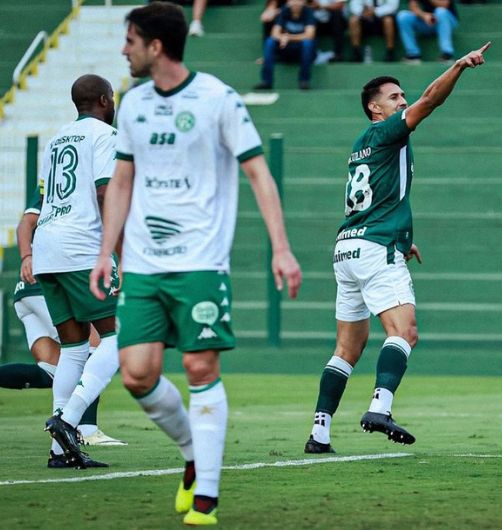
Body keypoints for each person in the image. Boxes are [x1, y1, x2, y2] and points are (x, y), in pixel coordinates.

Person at [90, 2, 302, 525]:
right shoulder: (134, 105)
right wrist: (105, 250)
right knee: (137, 376)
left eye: (131, 40)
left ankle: (206, 494)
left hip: (201, 262)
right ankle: (193, 455)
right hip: (142, 264)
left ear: (155, 46)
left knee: (199, 366)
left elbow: (259, 175)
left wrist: (281, 246)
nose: (125, 49)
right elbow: (121, 182)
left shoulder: (218, 100)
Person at [304, 41, 491, 454]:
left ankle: (319, 434)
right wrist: (458, 66)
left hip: (349, 248)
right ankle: (380, 407)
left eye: (401, 95)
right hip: (374, 247)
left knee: (346, 350)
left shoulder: (361, 144)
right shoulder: (386, 131)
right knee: (405, 331)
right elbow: (430, 101)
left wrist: (401, 239)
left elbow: (377, 199)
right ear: (376, 108)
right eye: (394, 97)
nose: (402, 100)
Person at [33, 74, 122, 470]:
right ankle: (69, 421)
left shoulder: (56, 139)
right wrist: (117, 248)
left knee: (74, 346)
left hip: (46, 246)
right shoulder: (104, 135)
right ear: (104, 100)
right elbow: (105, 191)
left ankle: (59, 450)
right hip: (80, 247)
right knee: (122, 334)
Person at [11, 199, 125, 466]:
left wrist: (27, 256)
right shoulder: (99, 164)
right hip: (73, 258)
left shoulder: (51, 180)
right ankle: (78, 426)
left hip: (40, 272)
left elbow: (27, 222)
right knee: (114, 339)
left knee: (59, 363)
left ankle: (60, 451)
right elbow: (106, 193)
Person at [255, 0, 317, 90]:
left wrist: (288, 37)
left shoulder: (308, 12)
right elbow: (274, 33)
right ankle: (266, 81)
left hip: (302, 51)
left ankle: (304, 80)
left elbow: (309, 35)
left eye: (299, 0)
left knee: (307, 43)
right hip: (286, 48)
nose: (296, 3)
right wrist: (282, 37)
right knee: (270, 42)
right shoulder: (285, 11)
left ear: (304, 1)